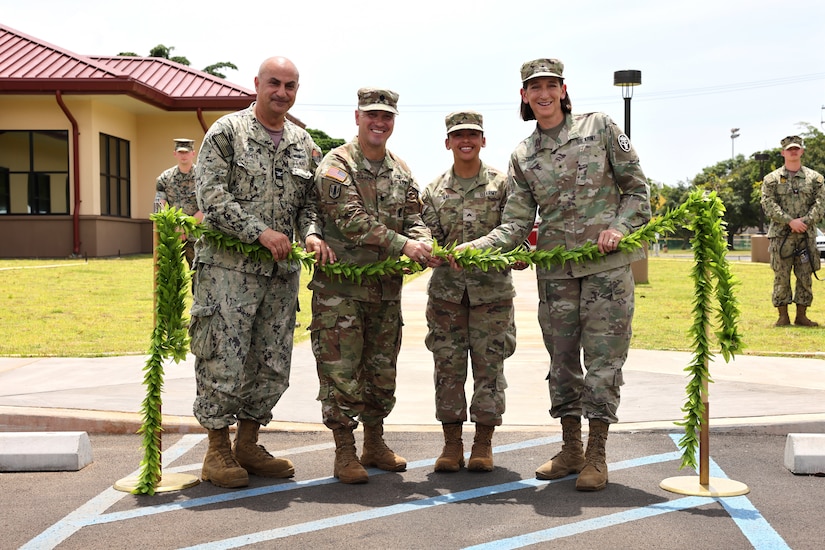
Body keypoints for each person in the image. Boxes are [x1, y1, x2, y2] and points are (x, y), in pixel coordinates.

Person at [458, 58, 651, 491]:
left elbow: (638, 190)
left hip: (606, 270)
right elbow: (514, 223)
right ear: (524, 96)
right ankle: (571, 448)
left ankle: (597, 455)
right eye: (534, 87)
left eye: (550, 85)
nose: (543, 93)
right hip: (556, 273)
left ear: (564, 90)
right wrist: (473, 249)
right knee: (562, 363)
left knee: (603, 362)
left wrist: (619, 228)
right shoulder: (523, 155)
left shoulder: (599, 127)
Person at [189, 56, 334, 488]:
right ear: (256, 84)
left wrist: (308, 234)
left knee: (272, 361)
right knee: (223, 357)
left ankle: (248, 443)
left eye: (291, 85)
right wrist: (260, 232)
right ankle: (217, 449)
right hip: (227, 273)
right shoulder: (227, 133)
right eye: (275, 83)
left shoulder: (304, 144)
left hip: (280, 275)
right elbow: (210, 196)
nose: (282, 93)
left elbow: (310, 205)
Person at [310, 87, 434, 484]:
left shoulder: (400, 170)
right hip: (341, 292)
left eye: (387, 117)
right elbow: (349, 218)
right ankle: (344, 451)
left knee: (382, 370)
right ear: (357, 117)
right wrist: (405, 244)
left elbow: (415, 215)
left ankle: (374, 442)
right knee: (341, 371)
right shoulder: (337, 164)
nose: (379, 123)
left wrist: (424, 238)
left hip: (385, 291)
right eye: (372, 115)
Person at [420, 111, 519, 473]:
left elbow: (515, 228)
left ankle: (483, 443)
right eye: (458, 135)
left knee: (489, 369)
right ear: (448, 142)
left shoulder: (503, 185)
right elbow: (425, 234)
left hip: (491, 296)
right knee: (447, 368)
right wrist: (424, 251)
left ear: (483, 140)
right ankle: (451, 444)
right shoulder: (432, 191)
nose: (466, 140)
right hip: (446, 297)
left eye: (473, 135)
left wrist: (513, 254)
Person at [760, 135, 825, 327]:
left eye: (797, 148)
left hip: (806, 235)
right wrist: (790, 222)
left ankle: (801, 316)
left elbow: (820, 204)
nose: (793, 151)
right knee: (781, 276)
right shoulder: (771, 179)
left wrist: (803, 222)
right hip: (781, 236)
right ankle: (782, 316)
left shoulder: (816, 179)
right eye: (789, 149)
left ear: (802, 151)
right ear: (783, 153)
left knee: (805, 276)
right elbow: (767, 204)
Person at [154, 138, 203, 268]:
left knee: (198, 276)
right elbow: (160, 204)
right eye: (180, 152)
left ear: (193, 153)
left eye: (186, 152)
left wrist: (186, 227)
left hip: (196, 235)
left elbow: (206, 207)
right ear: (175, 154)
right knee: (169, 273)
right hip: (173, 234)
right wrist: (175, 226)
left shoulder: (203, 177)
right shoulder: (165, 178)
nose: (183, 156)